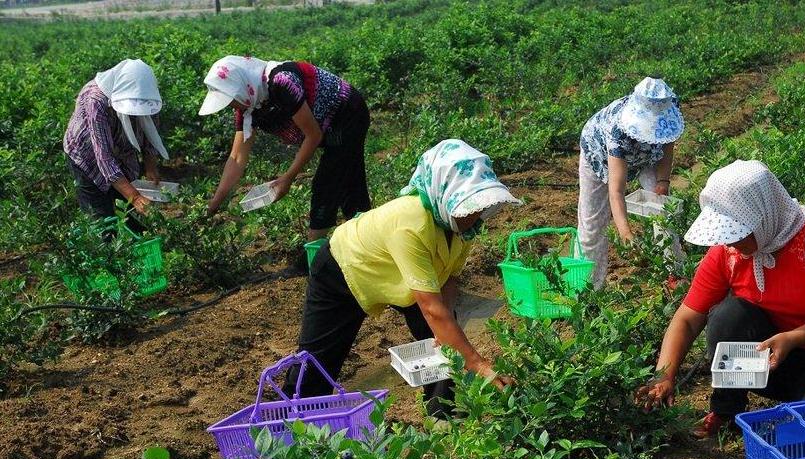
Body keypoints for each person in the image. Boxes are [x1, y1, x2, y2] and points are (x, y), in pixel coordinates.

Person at [284, 139, 519, 418]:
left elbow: (449, 279)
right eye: (466, 205)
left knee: (441, 333)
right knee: (319, 358)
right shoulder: (410, 221)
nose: (474, 214)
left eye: (477, 205)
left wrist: (447, 328)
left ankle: (441, 412)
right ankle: (286, 423)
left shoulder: (460, 226)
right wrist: (479, 365)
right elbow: (432, 308)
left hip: (403, 275)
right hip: (344, 268)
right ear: (443, 194)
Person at [637, 160, 805, 438]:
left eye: (739, 232)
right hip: (762, 365)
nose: (732, 243)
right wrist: (664, 375)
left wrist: (791, 338)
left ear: (764, 215)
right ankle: (726, 411)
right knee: (729, 315)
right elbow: (687, 318)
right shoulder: (728, 252)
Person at [199, 55, 371, 263]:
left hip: (346, 113)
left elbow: (313, 135)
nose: (231, 106)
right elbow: (236, 158)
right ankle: (367, 243)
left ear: (241, 86)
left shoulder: (282, 82)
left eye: (230, 99)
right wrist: (215, 203)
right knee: (350, 182)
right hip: (325, 126)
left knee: (328, 183)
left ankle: (313, 262)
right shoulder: (247, 107)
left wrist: (287, 178)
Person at [578, 76, 685, 288]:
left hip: (647, 155)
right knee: (593, 224)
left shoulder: (670, 105)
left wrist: (663, 180)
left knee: (663, 208)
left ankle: (676, 276)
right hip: (599, 154)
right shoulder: (617, 131)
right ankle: (589, 288)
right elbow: (616, 191)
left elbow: (667, 145)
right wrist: (625, 231)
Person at [64, 59, 169, 227]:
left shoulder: (148, 95)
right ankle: (106, 247)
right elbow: (104, 158)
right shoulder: (95, 101)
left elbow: (150, 133)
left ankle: (134, 244)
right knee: (102, 219)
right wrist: (135, 197)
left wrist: (151, 168)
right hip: (87, 156)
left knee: (133, 218)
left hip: (122, 152)